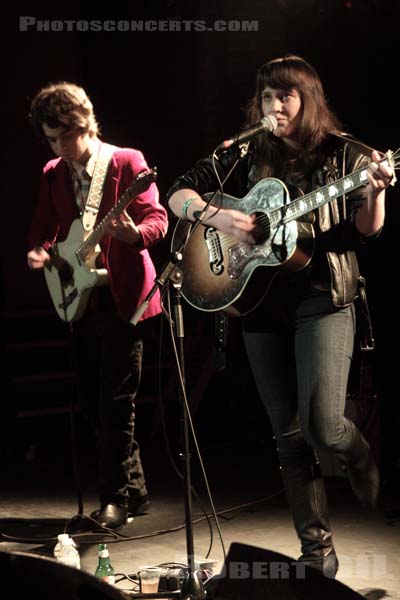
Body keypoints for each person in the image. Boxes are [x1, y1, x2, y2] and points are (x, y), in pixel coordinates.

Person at [167, 55, 394, 577]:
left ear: (307, 98)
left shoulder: (347, 154)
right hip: (258, 303)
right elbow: (178, 191)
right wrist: (221, 215)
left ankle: (355, 450)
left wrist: (376, 191)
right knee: (287, 435)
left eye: (285, 96)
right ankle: (318, 552)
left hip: (323, 297)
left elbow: (365, 230)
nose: (275, 106)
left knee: (321, 426)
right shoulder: (246, 150)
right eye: (267, 97)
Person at [27, 82, 168, 530]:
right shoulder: (53, 172)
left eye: (66, 136)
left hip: (126, 295)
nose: (60, 147)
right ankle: (136, 487)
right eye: (51, 139)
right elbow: (43, 228)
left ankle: (115, 498)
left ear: (85, 124)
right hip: (82, 296)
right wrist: (41, 252)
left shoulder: (126, 162)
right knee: (89, 399)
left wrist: (133, 235)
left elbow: (158, 220)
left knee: (115, 399)